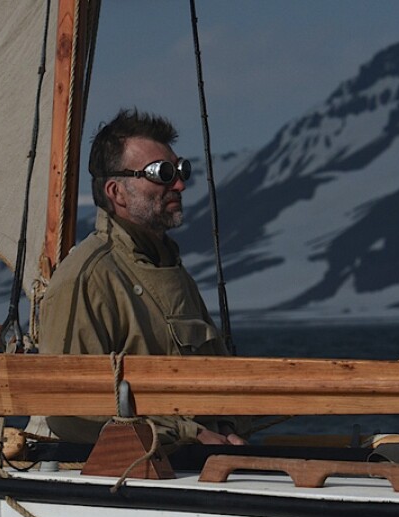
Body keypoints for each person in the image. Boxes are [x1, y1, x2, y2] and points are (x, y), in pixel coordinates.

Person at [33, 108, 247, 446]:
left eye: (180, 169)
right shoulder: (88, 279)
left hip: (196, 468)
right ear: (117, 192)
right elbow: (71, 412)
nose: (179, 183)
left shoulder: (171, 269)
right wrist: (187, 434)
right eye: (161, 173)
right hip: (134, 473)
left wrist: (225, 425)